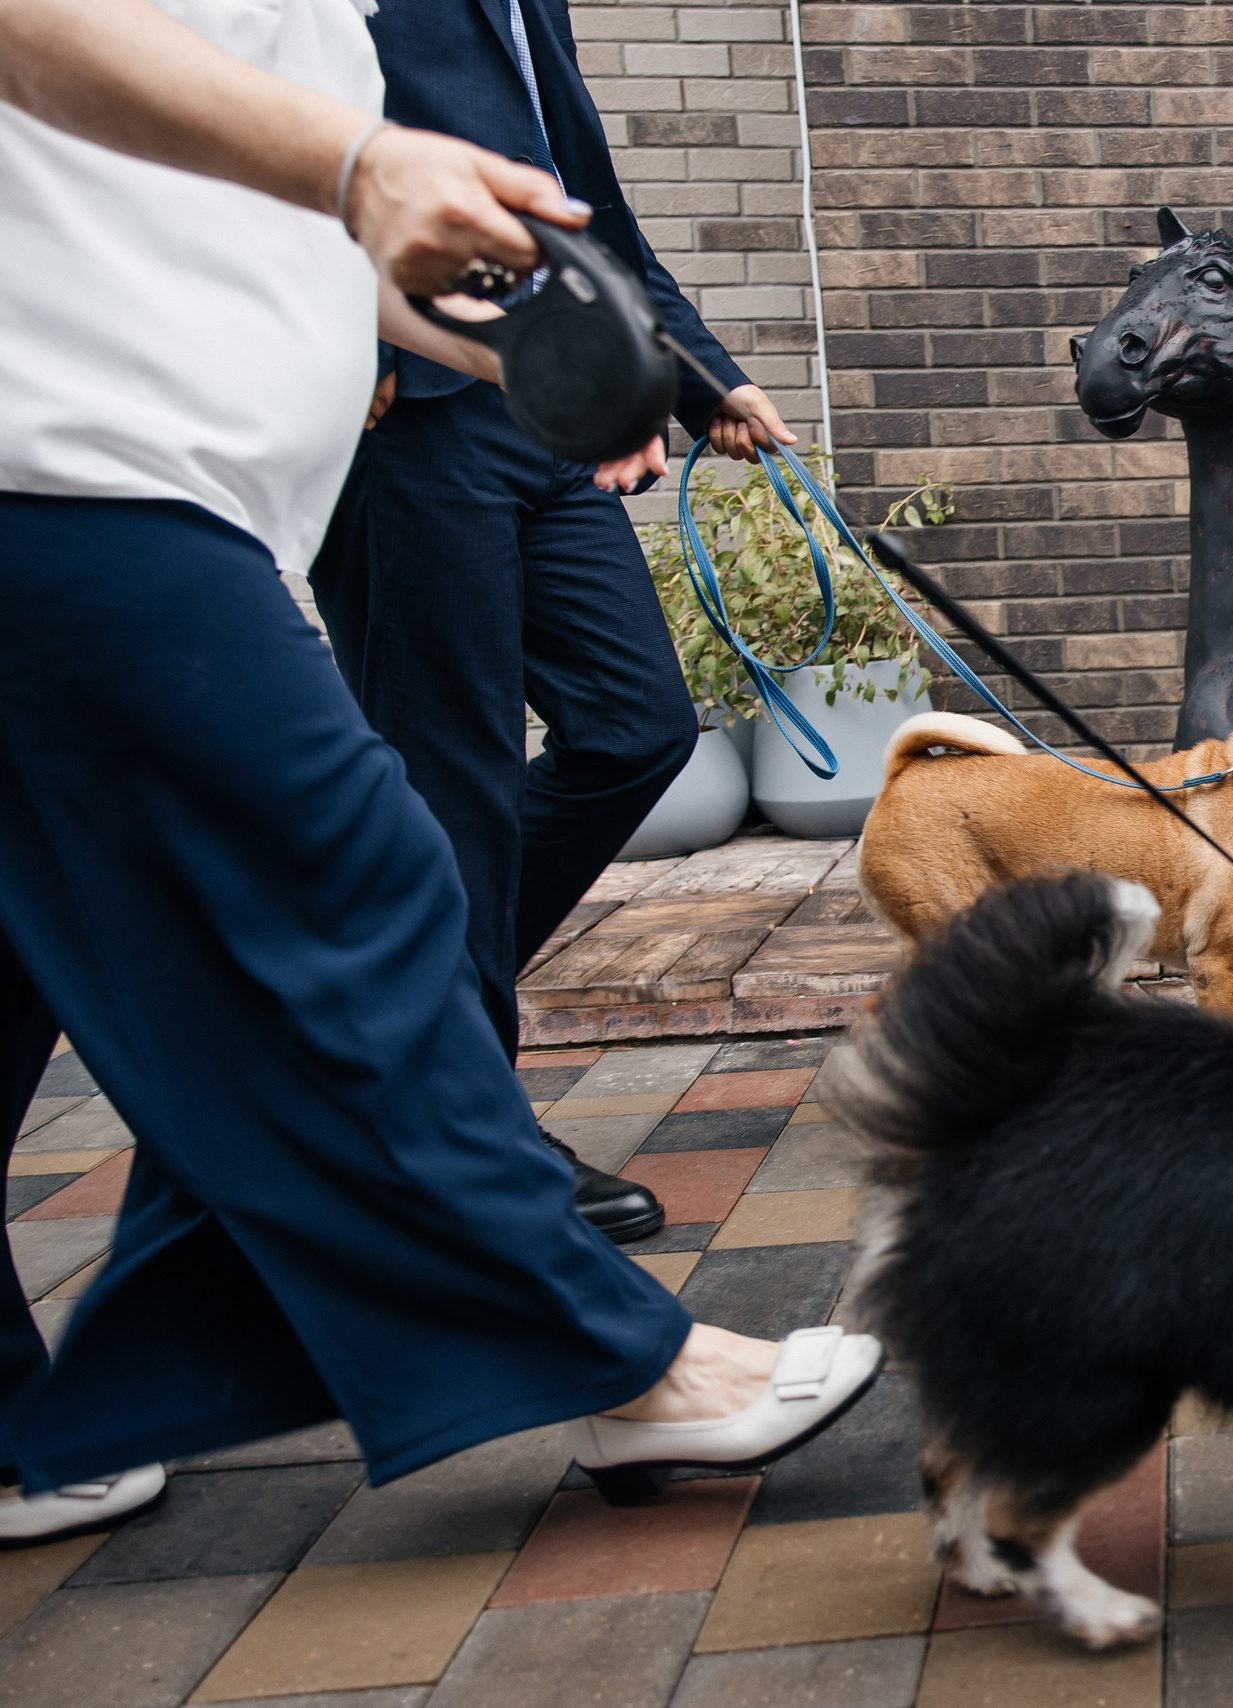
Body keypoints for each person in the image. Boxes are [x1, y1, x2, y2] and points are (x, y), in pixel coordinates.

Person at [0, 0, 874, 1544]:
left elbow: (251, 221)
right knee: (360, 884)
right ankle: (619, 1362)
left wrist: (539, 347)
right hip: (69, 472)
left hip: (138, 476)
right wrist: (360, 166)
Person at [310, 0, 802, 1245]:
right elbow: (287, 143)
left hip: (542, 405)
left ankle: (399, 1010)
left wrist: (701, 375)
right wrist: (333, 334)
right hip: (402, 410)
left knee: (636, 727)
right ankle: (465, 1119)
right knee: (453, 776)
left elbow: (590, 210)